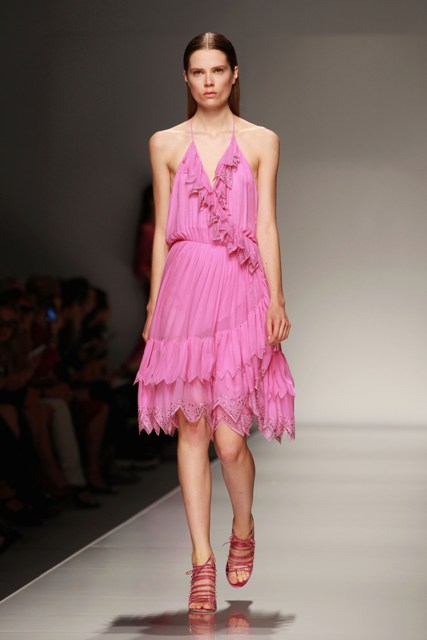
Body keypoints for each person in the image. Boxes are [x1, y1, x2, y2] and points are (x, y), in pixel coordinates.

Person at [135, 32, 296, 614]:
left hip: (239, 291)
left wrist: (277, 298)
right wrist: (153, 308)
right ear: (186, 78)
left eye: (218, 70)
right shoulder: (164, 144)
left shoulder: (261, 140)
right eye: (198, 71)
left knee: (230, 441)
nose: (208, 81)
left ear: (234, 74)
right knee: (192, 430)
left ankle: (243, 525)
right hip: (184, 291)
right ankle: (201, 560)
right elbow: (161, 232)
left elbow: (267, 225)